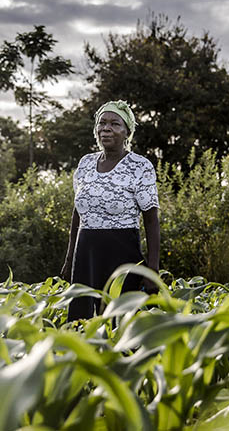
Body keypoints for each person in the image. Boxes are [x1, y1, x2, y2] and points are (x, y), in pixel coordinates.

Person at [61, 100, 160, 320]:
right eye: (102, 123)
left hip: (122, 256)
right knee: (81, 321)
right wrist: (70, 259)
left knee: (121, 323)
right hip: (86, 255)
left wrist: (152, 269)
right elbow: (77, 215)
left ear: (127, 132)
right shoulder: (85, 164)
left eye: (115, 124)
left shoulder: (140, 166)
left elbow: (151, 220)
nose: (106, 128)